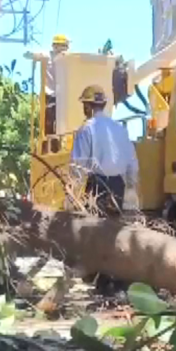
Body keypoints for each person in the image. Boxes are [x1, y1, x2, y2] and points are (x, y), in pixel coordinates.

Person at [70, 85, 139, 216]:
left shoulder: (86, 129)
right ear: (104, 104)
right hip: (119, 186)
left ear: (87, 107)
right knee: (114, 228)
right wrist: (131, 188)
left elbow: (78, 166)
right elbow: (132, 162)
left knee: (95, 230)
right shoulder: (120, 129)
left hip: (98, 186)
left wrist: (73, 194)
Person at [45, 34, 70, 135]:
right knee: (51, 121)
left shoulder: (66, 60)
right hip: (51, 95)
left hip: (61, 95)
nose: (67, 49)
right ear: (57, 46)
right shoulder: (47, 57)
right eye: (65, 46)